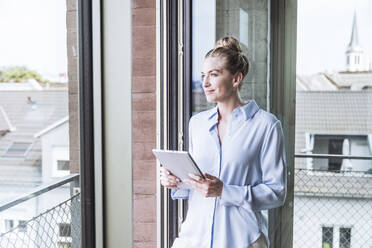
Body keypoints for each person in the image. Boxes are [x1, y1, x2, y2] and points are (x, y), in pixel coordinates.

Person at [159, 36, 287, 248]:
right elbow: (199, 181)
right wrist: (175, 179)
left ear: (236, 79)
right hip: (194, 237)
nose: (205, 83)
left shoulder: (266, 125)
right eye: (203, 76)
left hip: (240, 239)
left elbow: (277, 192)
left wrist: (224, 191)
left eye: (214, 75)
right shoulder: (197, 124)